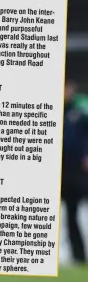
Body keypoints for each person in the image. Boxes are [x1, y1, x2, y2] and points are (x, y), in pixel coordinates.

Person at [61, 80, 88, 264]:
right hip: (61, 171)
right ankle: (76, 255)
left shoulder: (79, 113)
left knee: (78, 210)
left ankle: (80, 254)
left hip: (79, 170)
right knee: (69, 214)